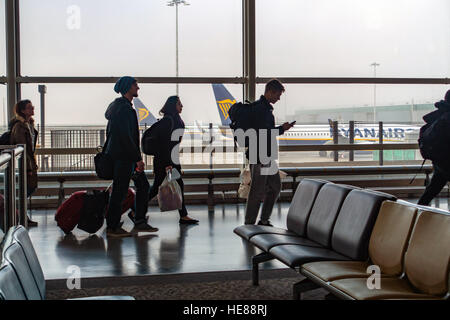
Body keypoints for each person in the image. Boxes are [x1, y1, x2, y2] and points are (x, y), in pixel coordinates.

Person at [104, 76, 158, 237]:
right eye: (135, 85)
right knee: (120, 192)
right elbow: (127, 136)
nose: (138, 88)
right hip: (124, 157)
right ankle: (113, 226)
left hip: (121, 156)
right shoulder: (125, 110)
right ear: (128, 87)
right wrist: (137, 159)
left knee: (140, 187)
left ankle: (138, 219)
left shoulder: (118, 108)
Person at [244, 79, 294, 226]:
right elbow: (264, 132)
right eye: (278, 95)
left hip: (265, 156)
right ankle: (249, 223)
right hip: (259, 156)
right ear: (270, 91)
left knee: (275, 186)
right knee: (257, 191)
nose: (279, 98)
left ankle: (264, 219)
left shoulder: (265, 109)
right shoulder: (261, 109)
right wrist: (282, 129)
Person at [148, 96, 199, 224]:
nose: (182, 106)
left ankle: (183, 215)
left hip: (169, 159)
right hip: (165, 161)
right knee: (156, 188)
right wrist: (168, 164)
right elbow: (166, 144)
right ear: (173, 106)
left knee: (177, 185)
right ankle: (135, 209)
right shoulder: (168, 121)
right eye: (179, 104)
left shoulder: (174, 120)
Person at [9, 100, 39, 227]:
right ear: (22, 111)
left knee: (29, 189)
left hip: (29, 162)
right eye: (29, 107)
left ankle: (20, 215)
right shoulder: (20, 126)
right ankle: (19, 215)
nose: (32, 109)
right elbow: (23, 148)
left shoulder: (28, 124)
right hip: (25, 164)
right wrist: (28, 167)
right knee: (26, 189)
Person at [418, 89, 450, 206]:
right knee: (433, 189)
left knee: (432, 190)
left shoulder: (440, 115)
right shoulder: (447, 117)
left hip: (440, 160)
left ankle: (419, 211)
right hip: (446, 160)